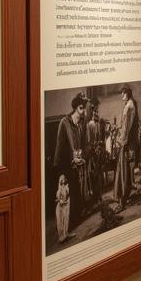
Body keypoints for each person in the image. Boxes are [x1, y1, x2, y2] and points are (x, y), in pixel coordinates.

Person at [53, 93, 87, 227]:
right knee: (65, 196)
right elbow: (60, 147)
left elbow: (81, 145)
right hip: (63, 164)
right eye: (81, 108)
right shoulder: (65, 122)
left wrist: (81, 157)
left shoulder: (81, 123)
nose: (83, 111)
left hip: (75, 163)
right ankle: (66, 225)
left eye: (84, 108)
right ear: (75, 109)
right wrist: (70, 161)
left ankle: (75, 220)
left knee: (76, 190)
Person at [114, 85, 140, 206]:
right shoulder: (128, 105)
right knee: (124, 171)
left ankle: (123, 197)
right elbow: (124, 126)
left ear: (128, 93)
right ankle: (124, 195)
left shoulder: (130, 106)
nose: (122, 95)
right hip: (127, 142)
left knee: (123, 171)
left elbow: (128, 127)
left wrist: (122, 140)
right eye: (121, 93)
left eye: (124, 93)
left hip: (127, 143)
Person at [54, 174, 71, 244]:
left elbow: (66, 196)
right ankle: (61, 236)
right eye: (61, 180)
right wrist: (59, 200)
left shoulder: (66, 187)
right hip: (59, 206)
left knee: (65, 218)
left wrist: (63, 200)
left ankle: (65, 234)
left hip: (65, 204)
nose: (62, 181)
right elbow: (58, 197)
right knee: (59, 219)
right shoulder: (59, 188)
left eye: (63, 179)